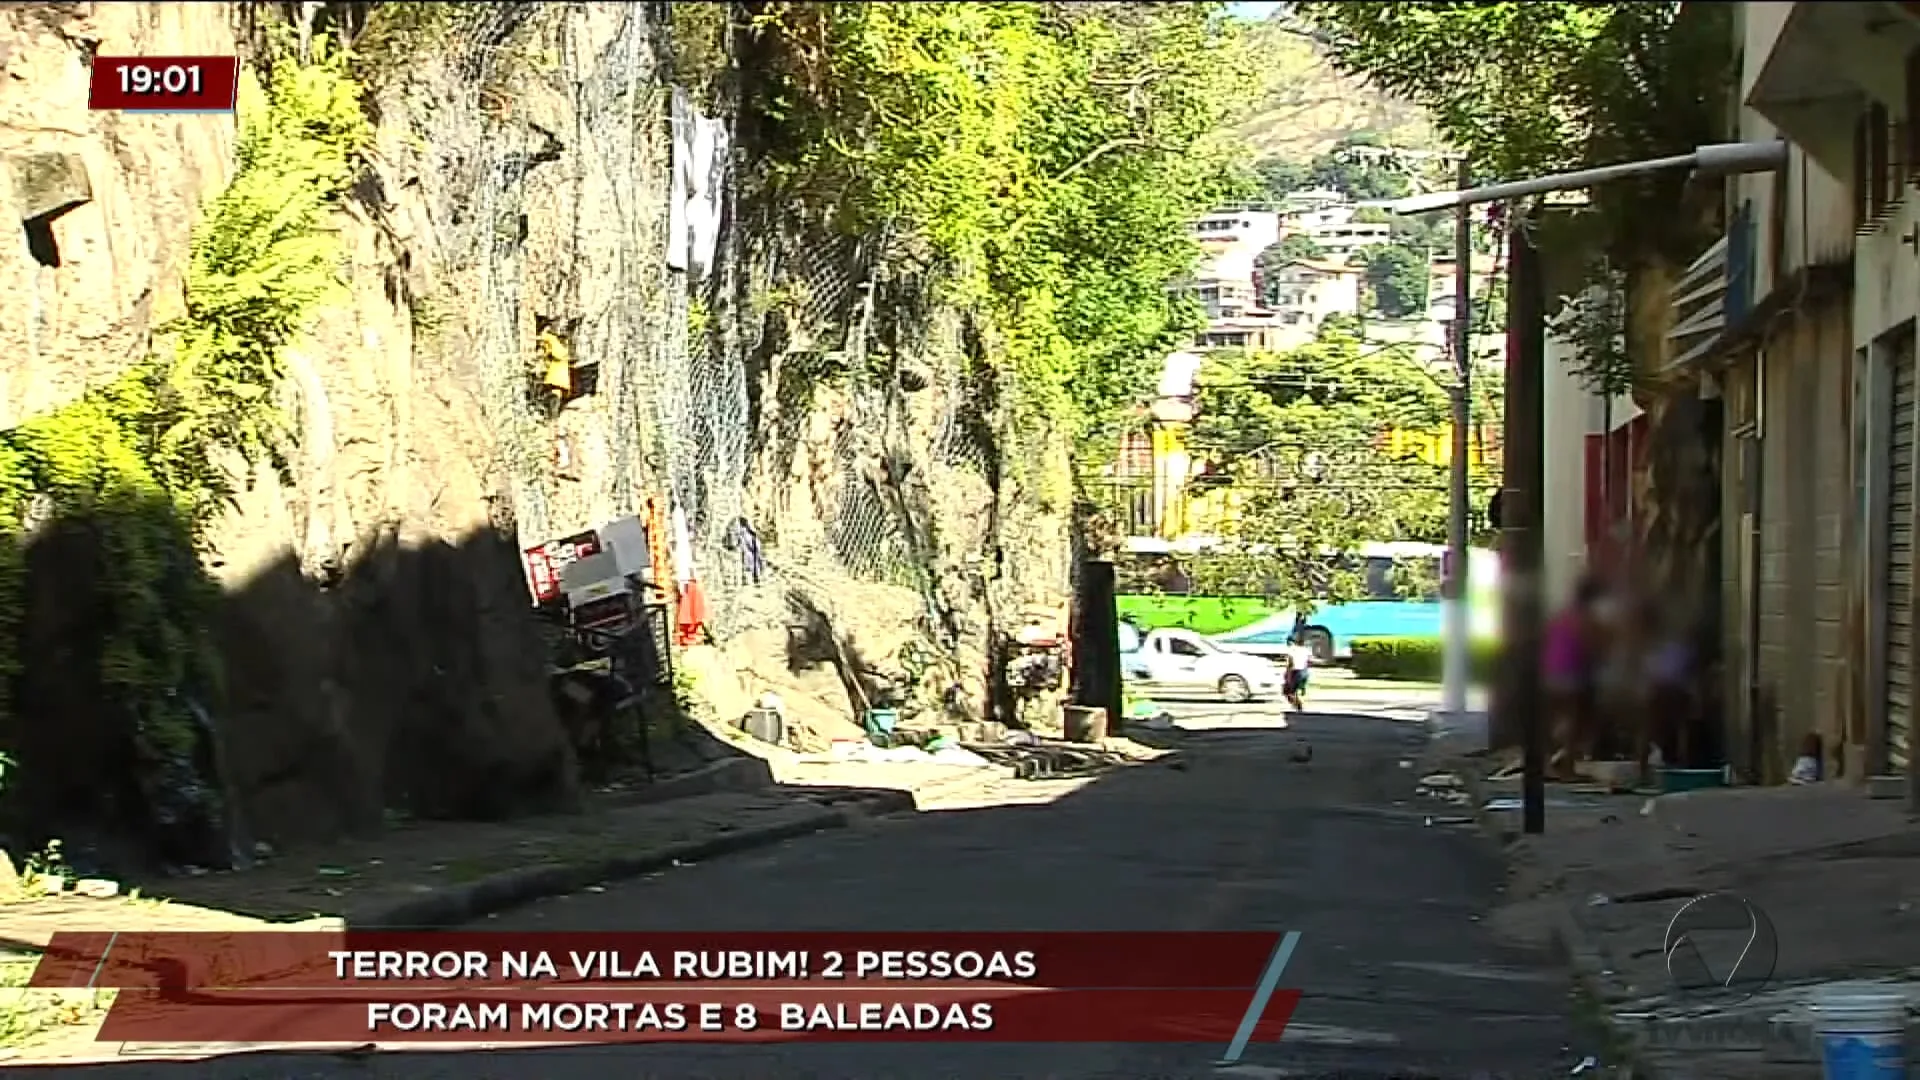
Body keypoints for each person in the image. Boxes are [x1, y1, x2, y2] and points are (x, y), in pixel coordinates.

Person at [1544, 575, 1606, 782]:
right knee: (1575, 720)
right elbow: (1591, 647)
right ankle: (1567, 766)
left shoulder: (1562, 616)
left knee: (1556, 719)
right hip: (1571, 676)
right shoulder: (1585, 618)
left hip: (1551, 673)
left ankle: (1550, 763)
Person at [1283, 630, 1313, 712]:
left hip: (1296, 672)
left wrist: (1288, 677)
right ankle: (1298, 702)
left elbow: (1290, 664)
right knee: (1294, 691)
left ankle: (1299, 707)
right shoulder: (1305, 649)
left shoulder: (1291, 650)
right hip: (1305, 672)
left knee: (1288, 692)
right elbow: (1310, 661)